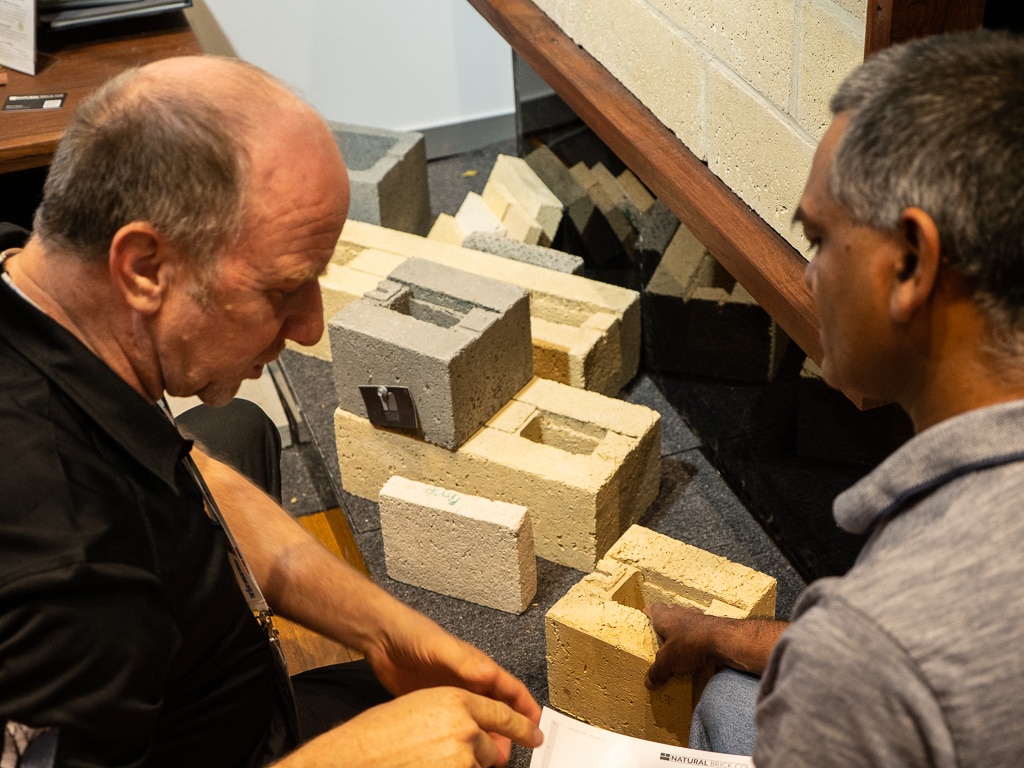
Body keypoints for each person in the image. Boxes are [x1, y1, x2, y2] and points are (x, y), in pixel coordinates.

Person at [0, 54, 542, 767]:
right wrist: (347, 760)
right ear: (143, 268)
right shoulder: (72, 574)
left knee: (238, 430)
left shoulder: (35, 290)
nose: (312, 328)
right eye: (283, 290)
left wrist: (379, 626)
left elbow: (187, 474)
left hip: (207, 686)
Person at [644, 28, 1024, 767]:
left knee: (725, 710)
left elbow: (872, 660)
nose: (809, 275)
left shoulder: (871, 648)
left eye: (818, 239)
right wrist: (721, 634)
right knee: (732, 695)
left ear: (910, 264)